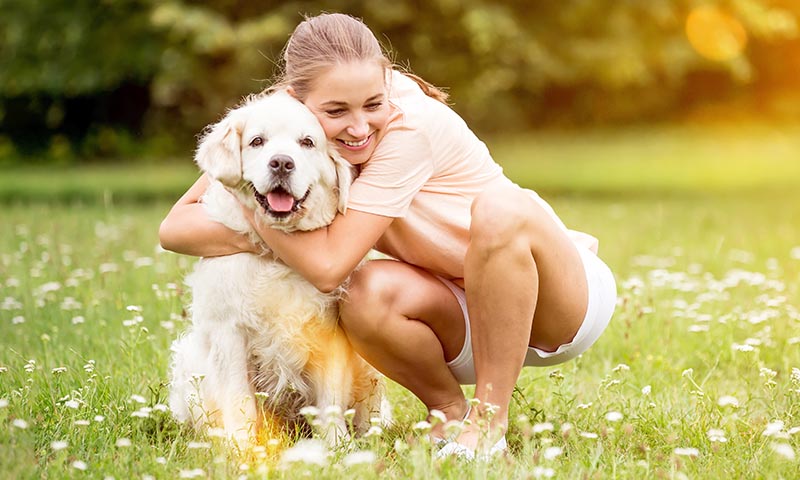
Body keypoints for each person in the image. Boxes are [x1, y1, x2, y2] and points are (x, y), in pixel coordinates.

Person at [159, 12, 616, 458]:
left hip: (555, 304)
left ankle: (488, 427)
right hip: (460, 309)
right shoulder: (285, 125)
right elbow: (176, 227)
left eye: (372, 105)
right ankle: (449, 412)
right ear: (298, 100)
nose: (359, 127)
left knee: (500, 209)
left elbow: (325, 267)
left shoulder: (410, 127)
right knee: (363, 292)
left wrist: (252, 198)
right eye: (337, 111)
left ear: (386, 84)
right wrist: (254, 189)